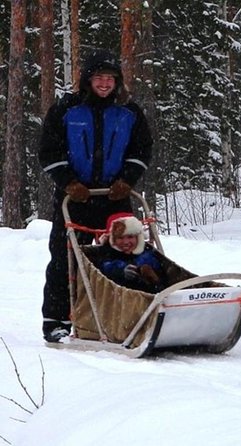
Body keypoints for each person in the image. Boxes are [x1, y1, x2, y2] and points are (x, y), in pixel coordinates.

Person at [39, 49, 153, 342]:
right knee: (65, 259)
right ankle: (57, 320)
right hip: (74, 198)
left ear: (117, 82)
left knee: (128, 253)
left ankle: (133, 311)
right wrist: (68, 182)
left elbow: (141, 150)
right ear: (87, 80)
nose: (104, 84)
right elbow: (48, 150)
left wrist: (127, 180)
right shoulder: (67, 109)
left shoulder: (129, 110)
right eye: (98, 78)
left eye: (110, 78)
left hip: (115, 197)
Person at [95, 213, 164, 293]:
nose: (126, 242)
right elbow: (105, 268)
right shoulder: (107, 253)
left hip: (152, 295)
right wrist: (121, 272)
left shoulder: (147, 253)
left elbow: (161, 273)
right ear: (113, 239)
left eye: (130, 237)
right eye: (120, 238)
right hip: (119, 297)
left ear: (138, 238)